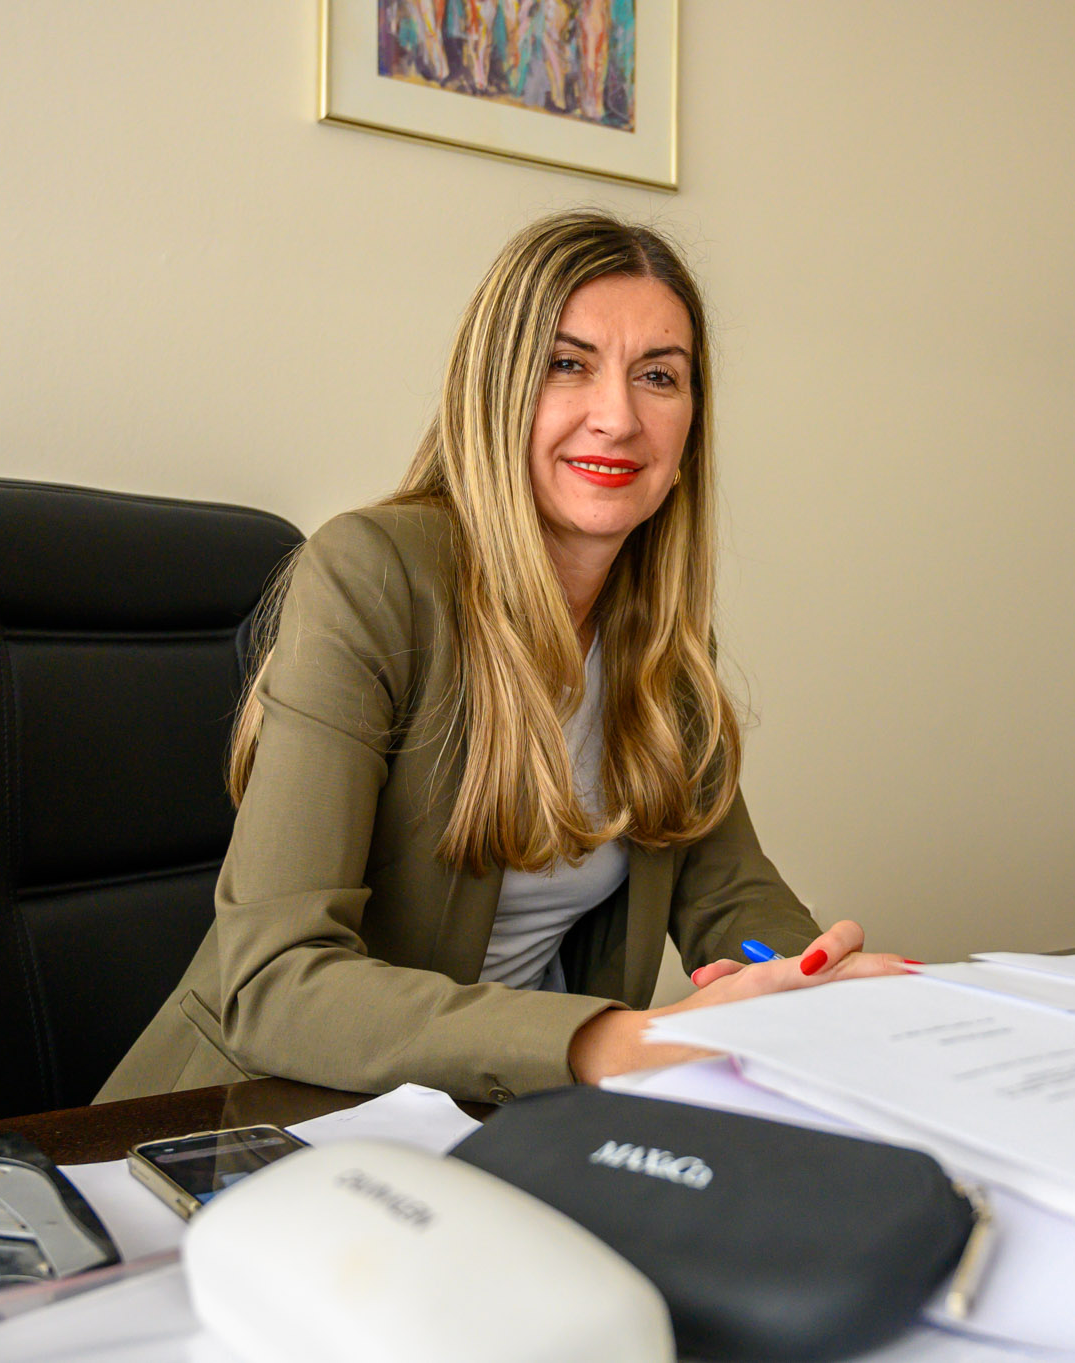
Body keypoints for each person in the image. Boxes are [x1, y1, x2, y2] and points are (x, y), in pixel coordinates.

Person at [99, 210, 905, 1105]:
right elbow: (275, 983)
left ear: (688, 435)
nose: (618, 417)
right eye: (568, 364)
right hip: (247, 1120)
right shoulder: (373, 576)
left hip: (494, 1119)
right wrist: (609, 1041)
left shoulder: (660, 644)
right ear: (495, 397)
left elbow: (731, 897)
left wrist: (819, 983)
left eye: (658, 376)